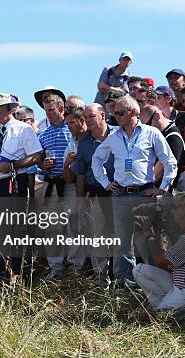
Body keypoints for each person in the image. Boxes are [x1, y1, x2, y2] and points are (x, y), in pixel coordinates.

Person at [92, 96, 177, 289]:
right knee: (123, 245)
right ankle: (129, 286)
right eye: (114, 113)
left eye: (120, 113)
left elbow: (169, 160)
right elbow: (96, 160)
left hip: (144, 193)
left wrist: (163, 187)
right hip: (120, 194)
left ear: (132, 112)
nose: (116, 116)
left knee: (149, 241)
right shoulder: (113, 137)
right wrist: (105, 182)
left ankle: (156, 284)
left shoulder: (152, 133)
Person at [73, 103, 116, 286]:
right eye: (86, 117)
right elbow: (80, 173)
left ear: (103, 116)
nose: (88, 120)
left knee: (121, 235)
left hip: (119, 192)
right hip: (96, 193)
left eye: (92, 116)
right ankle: (101, 280)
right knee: (98, 237)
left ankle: (121, 280)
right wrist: (80, 199)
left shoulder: (119, 134)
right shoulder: (83, 144)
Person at [133, 197, 185, 312]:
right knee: (140, 270)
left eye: (176, 208)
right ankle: (166, 305)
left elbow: (160, 262)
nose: (172, 212)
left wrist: (150, 235)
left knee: (161, 317)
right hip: (178, 285)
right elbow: (167, 265)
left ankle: (172, 310)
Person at [0, 94, 42, 198]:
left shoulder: (24, 129)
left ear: (10, 109)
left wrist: (12, 166)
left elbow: (37, 156)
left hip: (15, 182)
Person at [140, 105, 185, 191]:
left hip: (164, 192)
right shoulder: (158, 134)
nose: (145, 129)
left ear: (157, 116)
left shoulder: (173, 137)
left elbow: (162, 168)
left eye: (148, 124)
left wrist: (142, 186)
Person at [37, 93, 71, 198]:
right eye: (46, 111)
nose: (47, 114)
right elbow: (39, 161)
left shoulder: (71, 129)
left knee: (73, 215)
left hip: (71, 184)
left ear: (61, 109)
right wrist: (43, 164)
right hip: (51, 184)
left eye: (51, 110)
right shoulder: (43, 135)